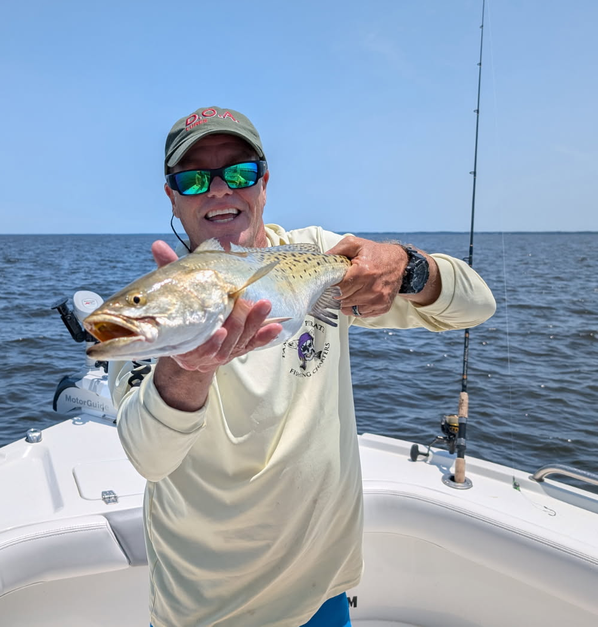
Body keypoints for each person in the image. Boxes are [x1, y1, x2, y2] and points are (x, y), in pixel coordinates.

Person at [112, 106, 496, 627]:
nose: (219, 190)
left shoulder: (317, 255)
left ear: (264, 184)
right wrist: (187, 369)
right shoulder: (155, 307)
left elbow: (476, 305)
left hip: (323, 594)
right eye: (194, 178)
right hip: (205, 611)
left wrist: (407, 266)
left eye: (240, 173)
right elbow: (150, 457)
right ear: (172, 197)